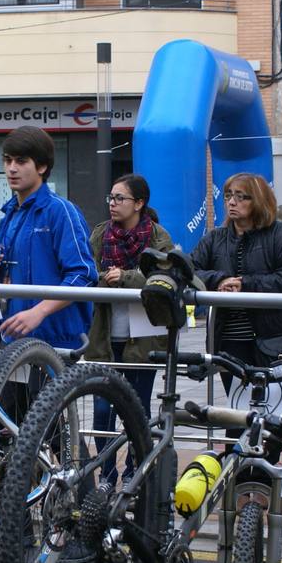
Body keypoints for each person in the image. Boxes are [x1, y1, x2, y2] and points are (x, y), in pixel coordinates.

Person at [87, 174, 173, 487]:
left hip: (144, 335)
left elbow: (164, 277)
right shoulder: (100, 234)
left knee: (137, 408)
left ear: (139, 203)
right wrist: (103, 278)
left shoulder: (158, 237)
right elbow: (85, 272)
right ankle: (107, 474)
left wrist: (125, 277)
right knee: (101, 409)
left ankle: (135, 472)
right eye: (110, 197)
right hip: (105, 338)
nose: (112, 204)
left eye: (119, 198)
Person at [190, 173, 282, 391]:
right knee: (237, 413)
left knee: (273, 412)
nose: (231, 202)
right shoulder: (215, 238)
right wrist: (220, 280)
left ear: (259, 200)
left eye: (240, 197)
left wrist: (245, 284)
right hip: (229, 340)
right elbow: (190, 271)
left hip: (274, 338)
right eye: (227, 196)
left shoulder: (279, 234)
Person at [0, 125, 96, 348]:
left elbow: (83, 274)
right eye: (7, 160)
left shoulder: (60, 211)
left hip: (57, 340)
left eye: (21, 161)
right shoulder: (8, 214)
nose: (12, 168)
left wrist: (39, 312)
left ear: (42, 166)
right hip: (14, 339)